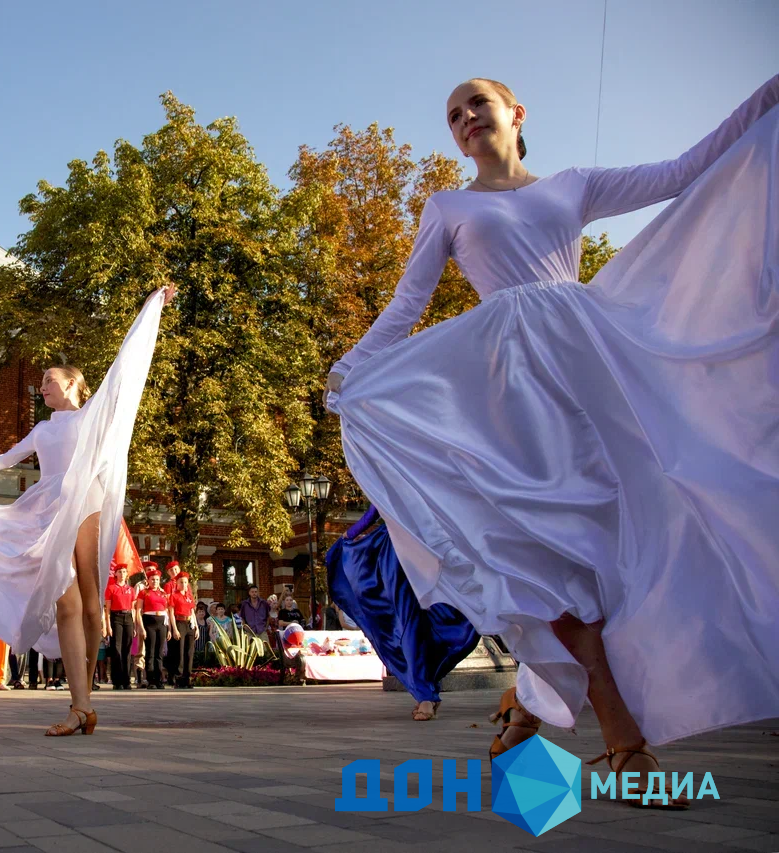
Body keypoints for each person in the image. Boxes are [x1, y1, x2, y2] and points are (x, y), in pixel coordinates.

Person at [326, 76, 779, 804]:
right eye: (453, 115)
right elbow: (408, 302)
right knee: (557, 562)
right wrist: (351, 369)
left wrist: (765, 100)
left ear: (515, 113)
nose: (466, 118)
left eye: (477, 103)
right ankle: (624, 746)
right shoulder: (449, 206)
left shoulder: (571, 186)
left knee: (618, 551)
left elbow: (684, 172)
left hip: (593, 370)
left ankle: (526, 707)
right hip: (510, 388)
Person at [0, 285, 175, 736]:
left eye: (49, 380)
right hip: (49, 505)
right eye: (40, 383)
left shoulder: (92, 413)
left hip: (86, 502)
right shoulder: (42, 427)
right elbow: (13, 456)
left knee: (90, 599)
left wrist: (152, 308)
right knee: (65, 601)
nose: (42, 386)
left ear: (74, 384)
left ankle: (86, 700)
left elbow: (125, 369)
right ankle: (79, 706)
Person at [325, 505, 478, 721]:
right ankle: (425, 694)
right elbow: (377, 506)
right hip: (397, 555)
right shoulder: (392, 472)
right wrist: (351, 534)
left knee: (437, 616)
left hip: (428, 546)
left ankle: (428, 689)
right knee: (409, 621)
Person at [103, 562, 135, 690]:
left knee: (127, 650)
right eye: (119, 572)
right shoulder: (111, 588)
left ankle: (126, 680)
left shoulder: (131, 589)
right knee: (116, 649)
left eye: (124, 572)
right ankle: (117, 681)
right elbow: (107, 610)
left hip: (128, 618)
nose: (122, 574)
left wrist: (134, 625)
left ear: (127, 574)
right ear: (115, 574)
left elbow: (133, 608)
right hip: (116, 617)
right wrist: (108, 625)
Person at [136, 568, 170, 690]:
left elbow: (167, 611)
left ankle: (159, 679)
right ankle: (151, 680)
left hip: (162, 623)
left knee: (159, 653)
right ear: (148, 580)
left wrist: (169, 628)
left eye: (157, 580)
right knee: (150, 652)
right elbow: (138, 610)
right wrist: (141, 628)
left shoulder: (163, 593)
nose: (155, 581)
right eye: (152, 579)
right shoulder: (143, 593)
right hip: (149, 621)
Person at [168, 572, 198, 688]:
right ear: (177, 583)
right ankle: (178, 678)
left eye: (186, 582)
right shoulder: (173, 595)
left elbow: (192, 612)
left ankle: (187, 678)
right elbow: (171, 613)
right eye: (181, 582)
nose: (184, 584)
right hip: (179, 622)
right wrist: (174, 629)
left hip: (189, 623)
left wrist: (196, 627)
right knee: (179, 652)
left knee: (189, 652)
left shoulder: (189, 596)